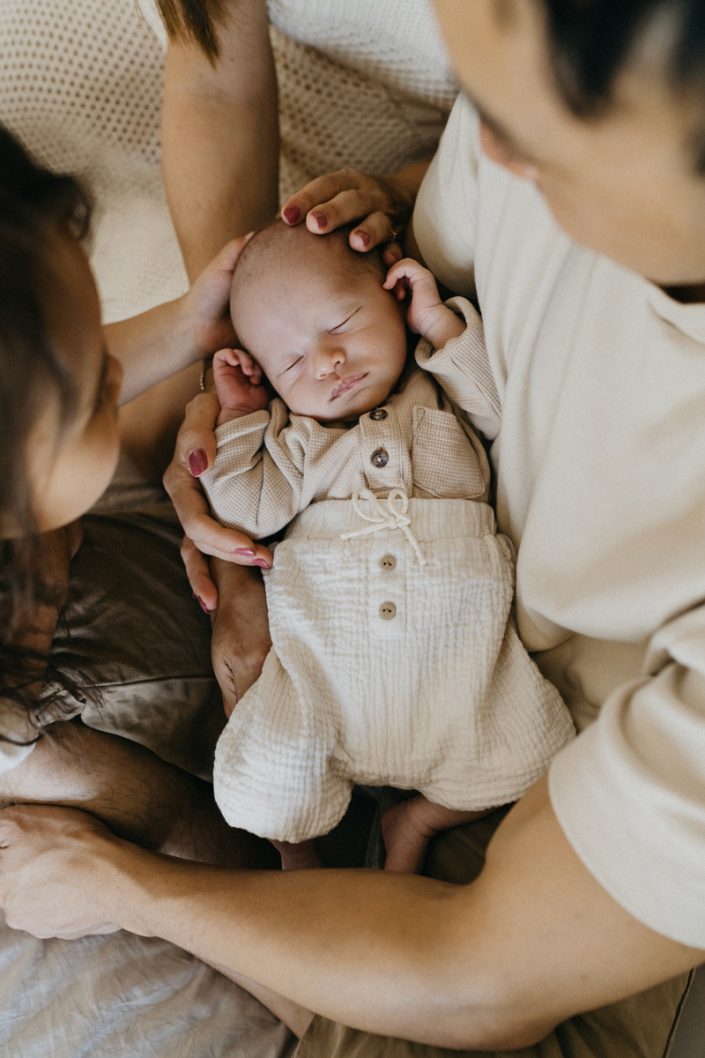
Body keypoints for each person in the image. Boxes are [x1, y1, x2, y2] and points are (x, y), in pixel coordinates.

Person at [2, 2, 705, 1057]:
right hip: (289, 585)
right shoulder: (577, 90)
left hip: (509, 838)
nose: (472, 142)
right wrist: (301, 302)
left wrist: (129, 885)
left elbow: (482, 974)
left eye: (530, 131)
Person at [201, 219, 573, 871]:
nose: (325, 363)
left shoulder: (440, 394)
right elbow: (245, 510)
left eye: (340, 325)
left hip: (461, 678)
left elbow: (502, 409)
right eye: (291, 362)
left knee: (539, 755)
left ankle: (417, 820)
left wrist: (438, 325)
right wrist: (237, 418)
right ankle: (298, 856)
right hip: (324, 689)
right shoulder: (294, 441)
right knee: (256, 790)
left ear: (394, 296)